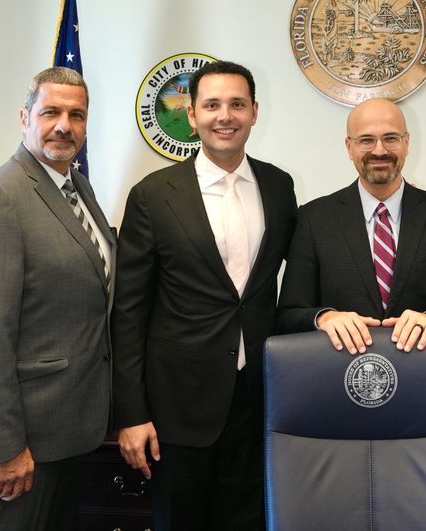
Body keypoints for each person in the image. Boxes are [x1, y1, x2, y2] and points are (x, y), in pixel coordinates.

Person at [112, 60, 297, 530]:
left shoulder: (279, 187)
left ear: (255, 112)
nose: (225, 115)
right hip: (175, 411)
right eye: (211, 105)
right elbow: (129, 313)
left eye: (237, 104)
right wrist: (131, 414)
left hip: (256, 402)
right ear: (192, 116)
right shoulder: (153, 195)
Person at [0, 67, 114, 530]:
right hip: (15, 449)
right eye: (51, 112)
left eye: (77, 115)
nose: (65, 125)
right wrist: (4, 448)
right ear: (25, 117)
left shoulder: (77, 187)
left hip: (64, 435)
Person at [276, 98, 426, 352]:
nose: (380, 150)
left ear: (407, 143)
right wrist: (325, 317)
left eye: (391, 138)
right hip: (341, 379)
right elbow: (287, 315)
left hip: (423, 376)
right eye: (366, 140)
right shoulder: (314, 219)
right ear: (349, 147)